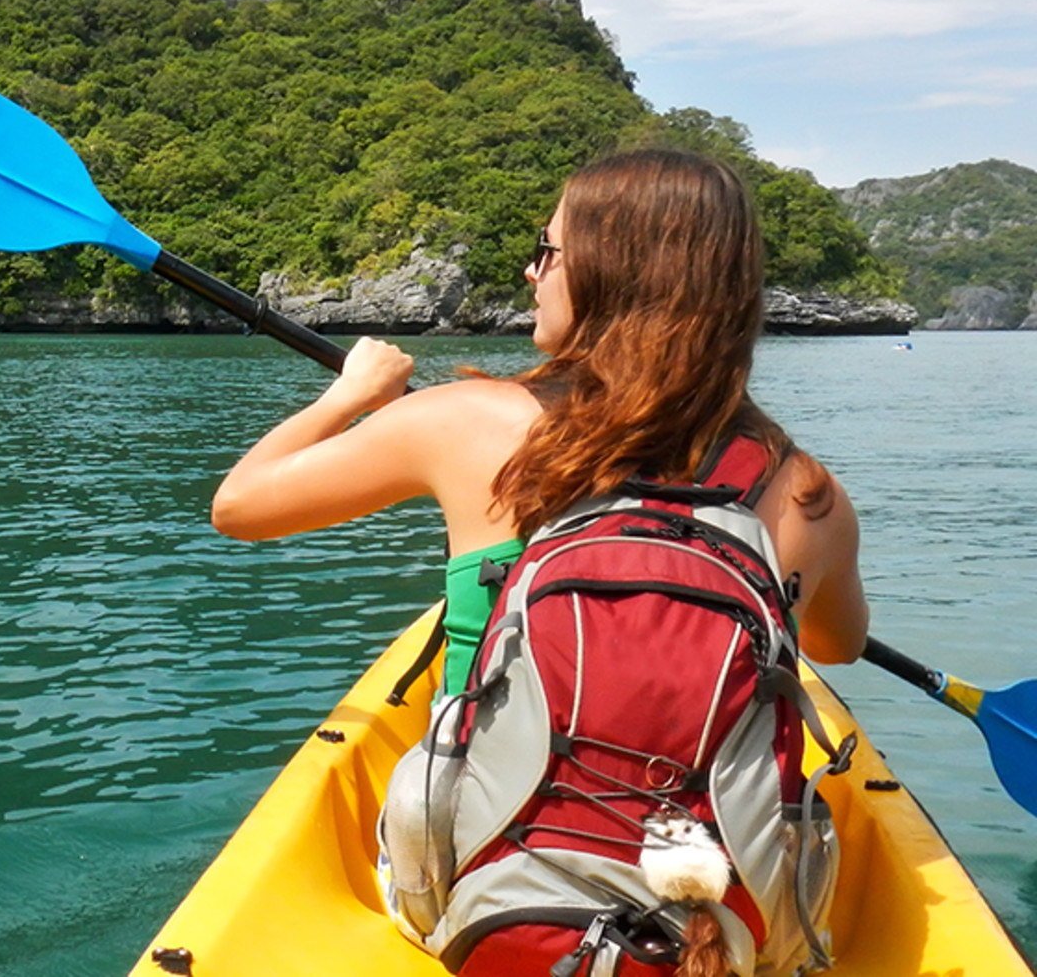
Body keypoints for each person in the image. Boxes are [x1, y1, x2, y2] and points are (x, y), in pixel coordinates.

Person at [211, 148, 868, 974]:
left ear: (607, 273)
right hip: (728, 923)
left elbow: (239, 506)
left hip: (481, 892)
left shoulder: (464, 422)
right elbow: (837, 646)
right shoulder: (807, 494)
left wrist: (353, 393)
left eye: (547, 250)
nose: (531, 271)